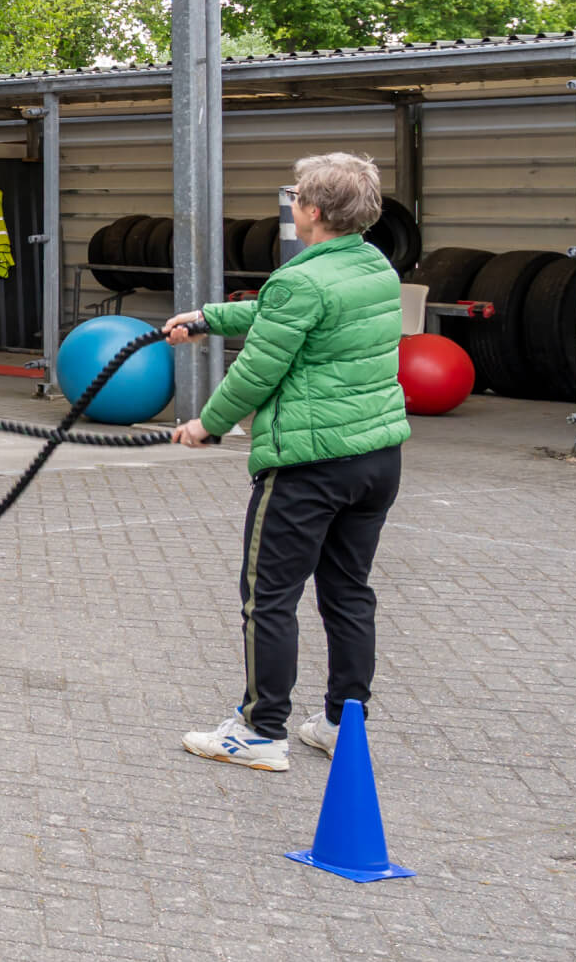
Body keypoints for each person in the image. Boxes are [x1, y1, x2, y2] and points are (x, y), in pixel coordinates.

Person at [166, 153, 409, 772]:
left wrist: (206, 424)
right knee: (348, 593)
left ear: (314, 211)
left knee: (268, 597)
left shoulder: (301, 280)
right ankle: (342, 724)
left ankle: (260, 730)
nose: (293, 202)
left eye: (297, 196)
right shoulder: (374, 265)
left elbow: (257, 370)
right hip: (376, 461)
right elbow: (282, 313)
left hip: (309, 467)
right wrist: (208, 319)